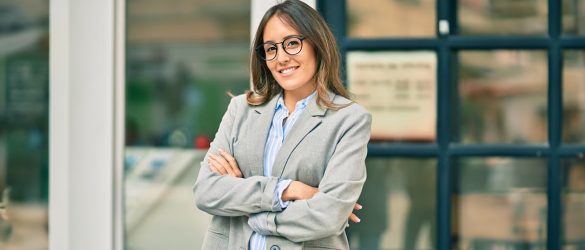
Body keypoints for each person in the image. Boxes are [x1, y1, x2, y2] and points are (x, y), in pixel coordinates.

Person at [192, 0, 372, 249]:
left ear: (317, 45)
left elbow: (328, 216)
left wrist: (248, 205)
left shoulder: (349, 120)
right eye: (270, 48)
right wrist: (289, 190)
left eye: (292, 43)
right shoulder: (241, 109)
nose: (282, 58)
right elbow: (207, 191)